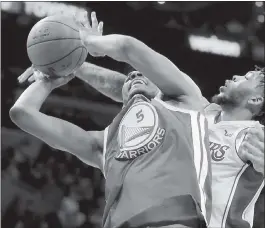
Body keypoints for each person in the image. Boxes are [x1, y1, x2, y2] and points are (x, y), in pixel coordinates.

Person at [10, 17, 211, 228]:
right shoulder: (105, 144)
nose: (134, 74)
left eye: (143, 74)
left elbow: (126, 47)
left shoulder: (184, 102)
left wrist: (90, 43)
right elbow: (22, 113)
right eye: (130, 78)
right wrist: (50, 77)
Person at [71, 11, 265, 228]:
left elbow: (129, 48)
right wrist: (72, 66)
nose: (236, 76)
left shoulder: (253, 134)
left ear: (257, 99)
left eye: (247, 78)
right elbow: (131, 88)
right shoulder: (197, 113)